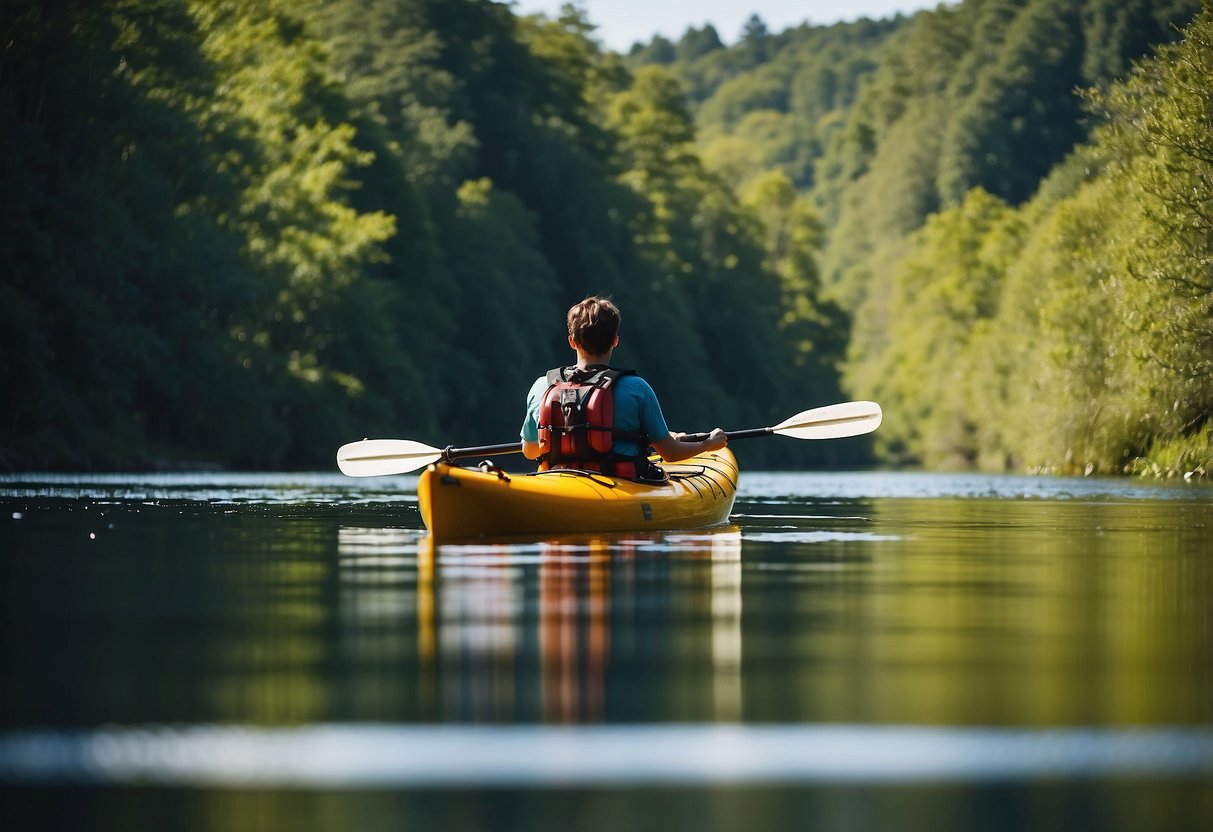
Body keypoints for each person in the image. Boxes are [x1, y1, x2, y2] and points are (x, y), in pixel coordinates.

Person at [520, 296, 727, 478]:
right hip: (619, 485)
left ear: (572, 342)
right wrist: (709, 444)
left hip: (556, 481)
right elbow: (670, 453)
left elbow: (530, 451)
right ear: (615, 341)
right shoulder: (636, 388)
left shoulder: (543, 386)